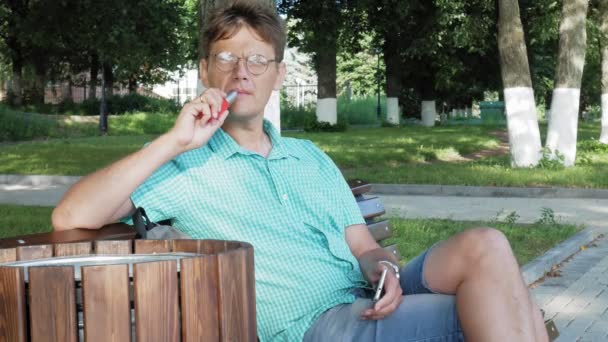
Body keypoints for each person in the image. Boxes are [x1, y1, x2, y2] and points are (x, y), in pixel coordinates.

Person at [52, 2, 549, 341]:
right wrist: (174, 139)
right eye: (226, 57)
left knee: (488, 244)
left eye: (257, 60)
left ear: (279, 76)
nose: (241, 72)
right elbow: (71, 214)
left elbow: (363, 247)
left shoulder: (308, 155)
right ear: (205, 70)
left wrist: (384, 269)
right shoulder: (180, 163)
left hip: (364, 295)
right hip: (315, 325)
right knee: (506, 311)